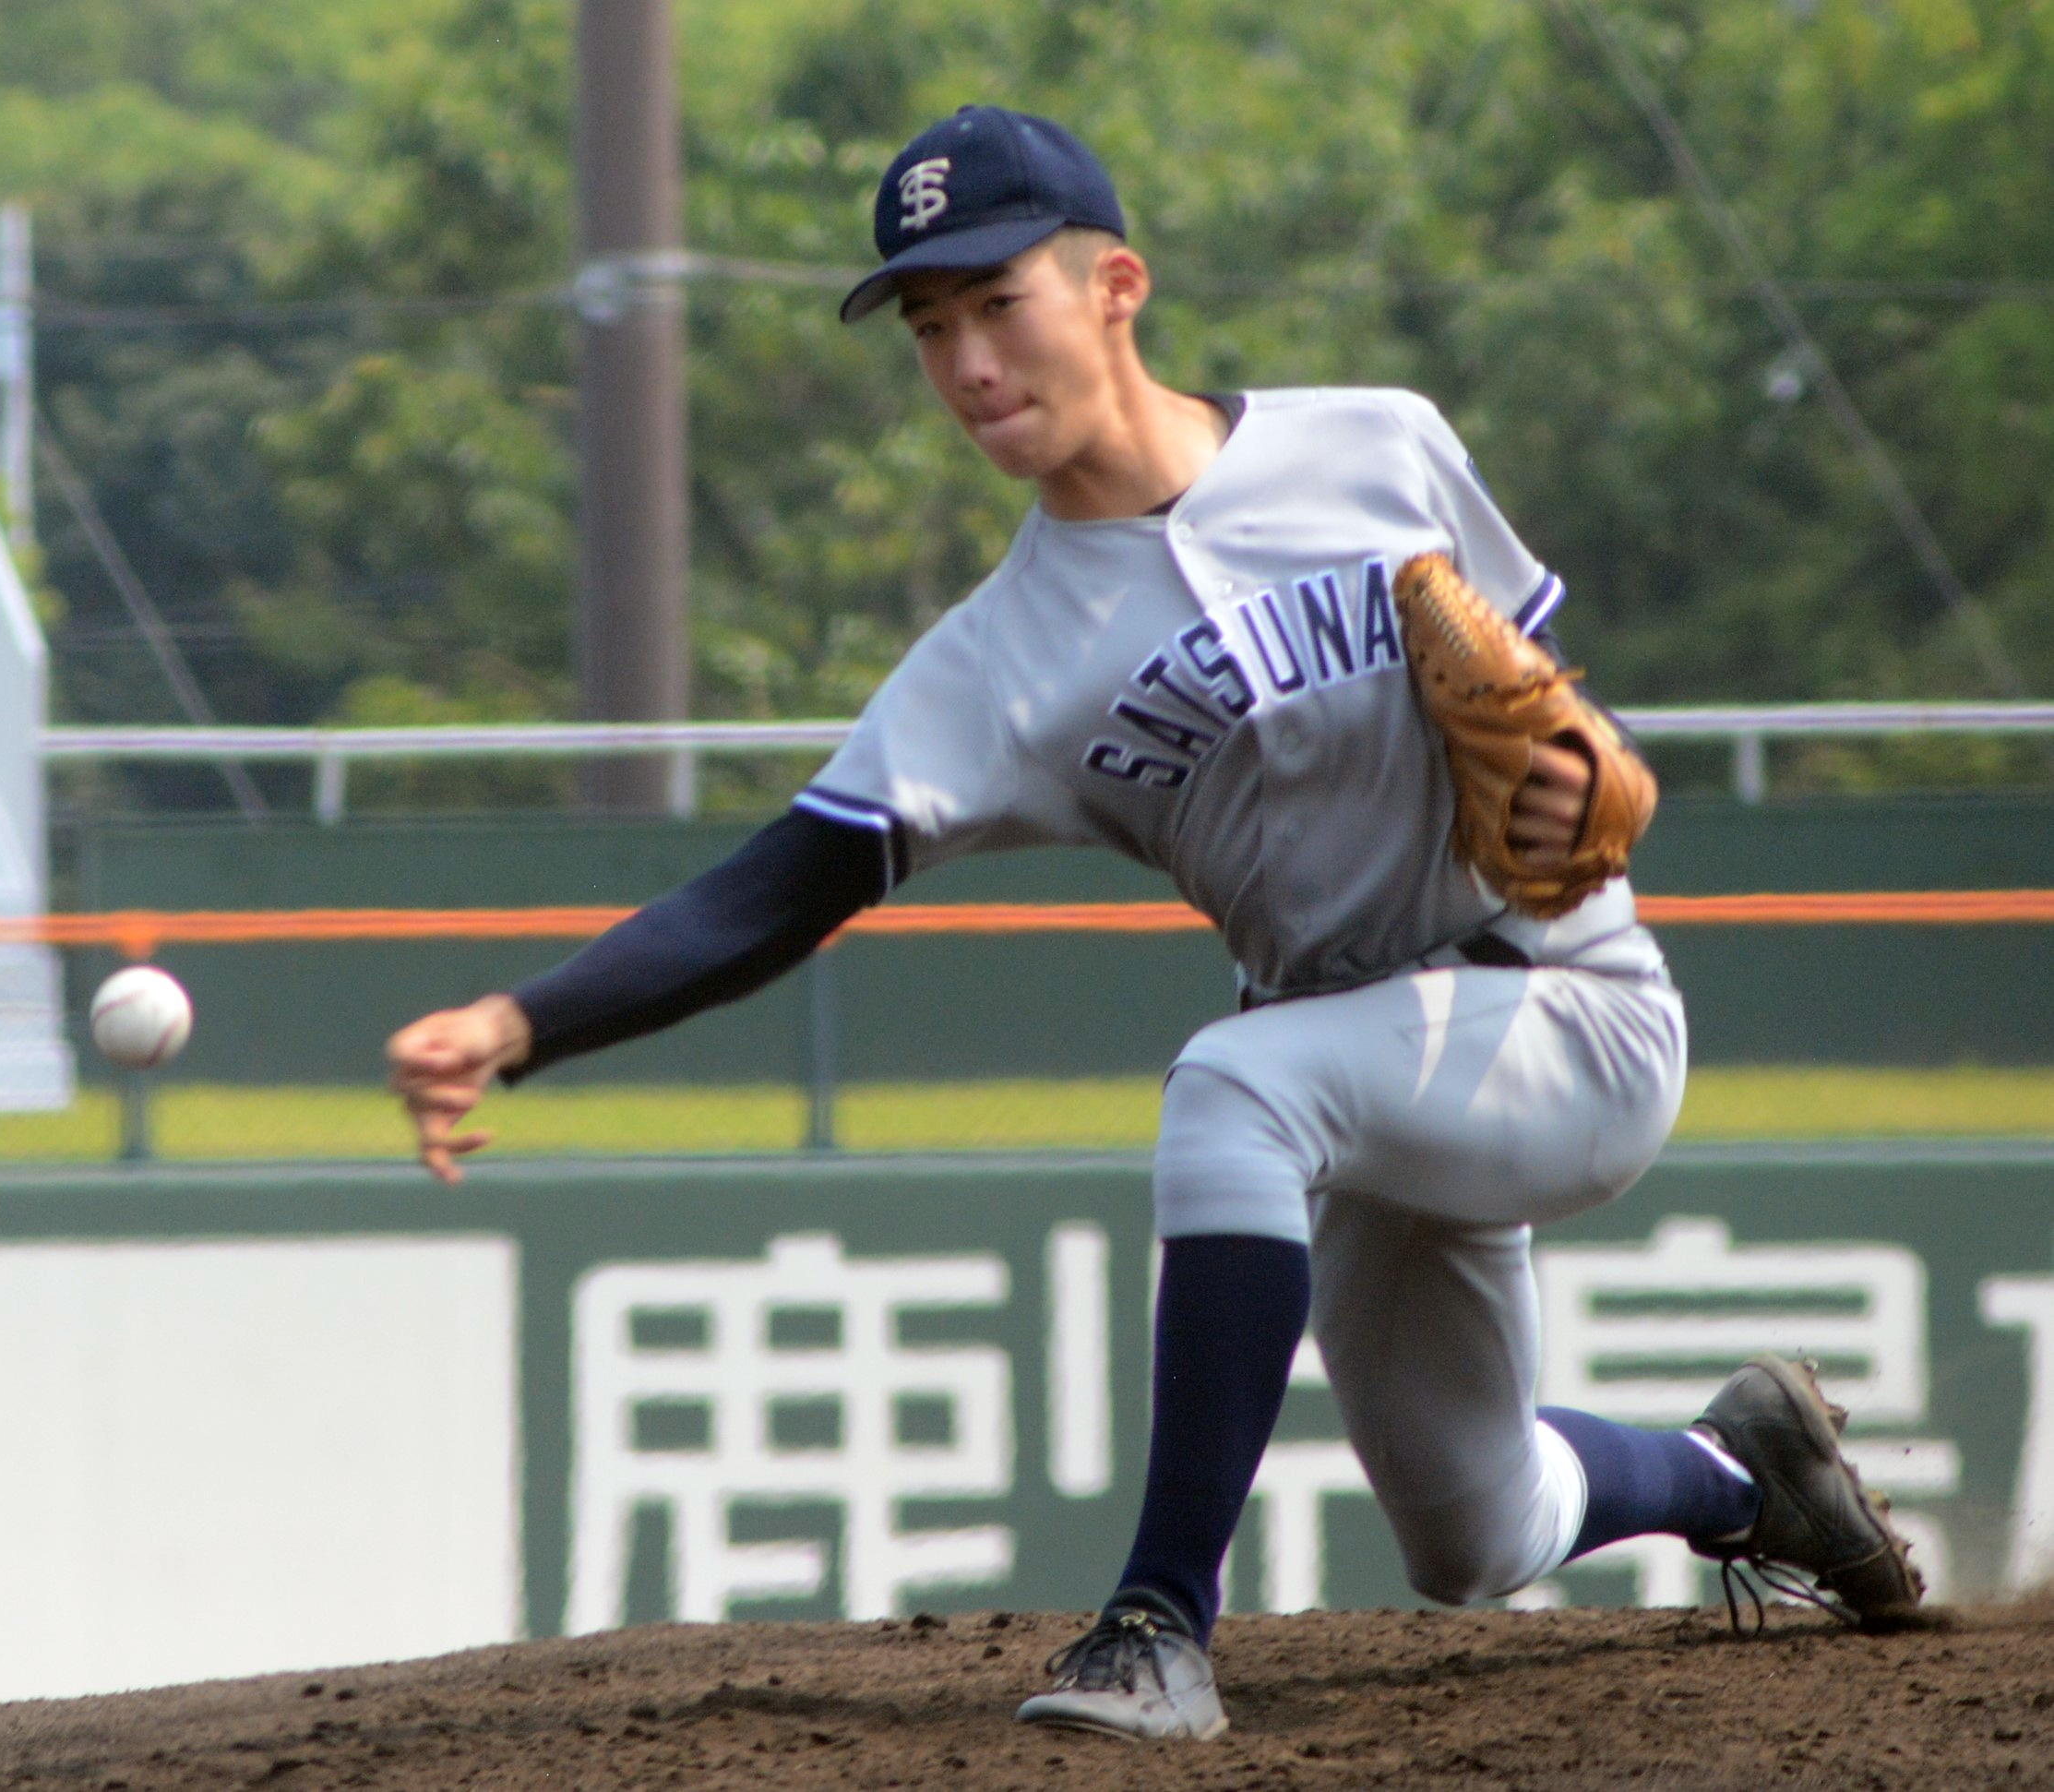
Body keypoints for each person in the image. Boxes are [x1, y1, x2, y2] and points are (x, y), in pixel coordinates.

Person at [388, 105, 1921, 1742]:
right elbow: (778, 887)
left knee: (1233, 1083)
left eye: (998, 302)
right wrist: (522, 1022)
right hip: (1364, 1074)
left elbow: (1568, 739)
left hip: (1561, 1004)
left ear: (1115, 283)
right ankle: (1737, 1468)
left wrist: (1587, 783)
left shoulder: (1374, 446)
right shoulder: (997, 661)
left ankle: (1155, 1624)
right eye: (929, 326)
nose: (967, 360)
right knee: (1474, 1532)